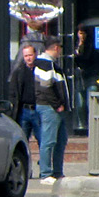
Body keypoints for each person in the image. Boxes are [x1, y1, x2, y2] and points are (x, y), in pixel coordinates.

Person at [34, 38, 69, 183]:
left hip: (55, 108)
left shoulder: (51, 64)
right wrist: (57, 104)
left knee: (61, 140)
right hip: (49, 108)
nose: (60, 51)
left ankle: (57, 171)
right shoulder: (45, 64)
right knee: (48, 141)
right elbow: (45, 87)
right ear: (55, 47)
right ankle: (45, 173)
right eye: (59, 48)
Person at [7, 43, 42, 161]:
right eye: (26, 55)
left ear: (35, 54)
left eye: (30, 55)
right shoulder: (19, 72)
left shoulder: (41, 70)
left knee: (43, 140)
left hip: (38, 109)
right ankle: (27, 169)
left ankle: (44, 168)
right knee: (23, 141)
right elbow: (13, 92)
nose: (28, 58)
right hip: (24, 111)